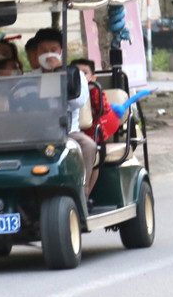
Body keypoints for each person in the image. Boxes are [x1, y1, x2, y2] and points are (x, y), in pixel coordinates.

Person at [26, 29, 100, 197]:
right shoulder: (30, 77)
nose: (48, 54)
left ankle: (82, 193)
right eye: (43, 51)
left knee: (88, 146)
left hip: (67, 132)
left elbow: (77, 102)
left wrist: (59, 73)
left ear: (61, 52)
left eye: (53, 50)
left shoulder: (75, 75)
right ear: (36, 53)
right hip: (35, 133)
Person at [72, 57, 121, 144]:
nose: (80, 76)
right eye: (77, 73)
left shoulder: (96, 91)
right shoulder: (69, 94)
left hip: (93, 133)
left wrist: (94, 92)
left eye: (84, 73)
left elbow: (105, 109)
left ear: (93, 78)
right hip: (73, 131)